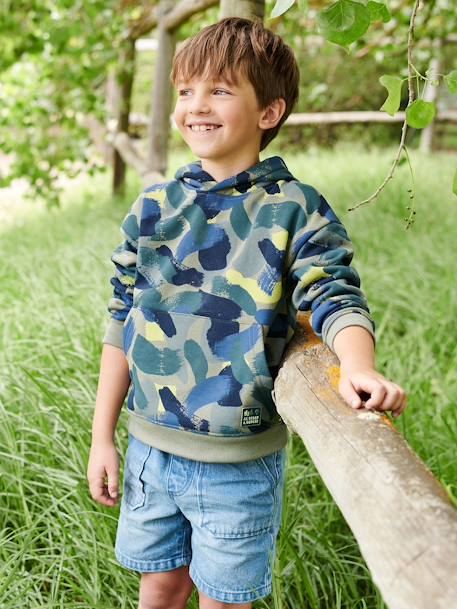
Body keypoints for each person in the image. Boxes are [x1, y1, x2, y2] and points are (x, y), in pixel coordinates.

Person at [87, 16, 407, 609]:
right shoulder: (155, 207)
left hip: (236, 465)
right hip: (150, 451)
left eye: (220, 90)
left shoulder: (294, 209)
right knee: (158, 585)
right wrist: (102, 435)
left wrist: (359, 367)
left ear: (268, 112)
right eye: (185, 91)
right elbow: (122, 318)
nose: (195, 105)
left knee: (224, 600)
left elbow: (335, 296)